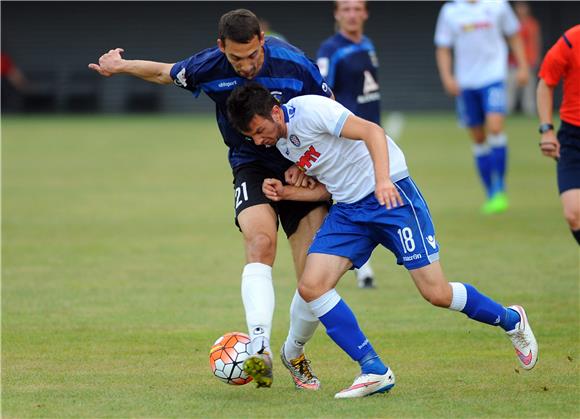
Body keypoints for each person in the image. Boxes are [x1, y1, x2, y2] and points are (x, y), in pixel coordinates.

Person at [226, 82, 538, 398]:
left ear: (275, 111)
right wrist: (289, 193)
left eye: (259, 129)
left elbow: (372, 132)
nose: (258, 140)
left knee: (436, 293)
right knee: (311, 285)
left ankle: (512, 319)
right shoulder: (284, 145)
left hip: (391, 200)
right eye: (251, 137)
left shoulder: (311, 110)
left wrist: (383, 180)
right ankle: (373, 369)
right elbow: (330, 186)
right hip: (349, 211)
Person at [88, 9, 333, 389]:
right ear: (222, 48)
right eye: (237, 58)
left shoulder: (296, 65)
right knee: (260, 242)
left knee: (313, 280)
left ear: (262, 42)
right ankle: (259, 346)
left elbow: (332, 116)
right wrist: (119, 66)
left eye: (253, 55)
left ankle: (293, 351)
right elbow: (163, 72)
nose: (247, 65)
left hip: (300, 168)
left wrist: (310, 164)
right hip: (251, 164)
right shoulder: (210, 65)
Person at [434, 0, 530, 214]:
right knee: (478, 137)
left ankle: (500, 186)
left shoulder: (498, 5)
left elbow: (513, 34)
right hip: (466, 82)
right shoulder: (450, 11)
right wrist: (447, 77)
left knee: (495, 127)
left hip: (493, 76)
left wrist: (523, 66)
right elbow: (443, 47)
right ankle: (490, 192)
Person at [316, 0, 379, 288]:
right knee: (349, 198)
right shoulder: (330, 50)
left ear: (365, 13)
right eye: (346, 9)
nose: (352, 14)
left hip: (371, 134)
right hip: (348, 137)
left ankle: (359, 263)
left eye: (357, 9)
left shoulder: (367, 43)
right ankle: (358, 266)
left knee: (368, 196)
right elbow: (322, 92)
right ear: (337, 14)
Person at [536, 25, 580, 245]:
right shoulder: (572, 40)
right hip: (573, 138)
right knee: (573, 212)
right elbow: (546, 83)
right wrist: (547, 130)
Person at [507, 1, 542, 115]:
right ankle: (506, 113)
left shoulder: (532, 24)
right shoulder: (511, 23)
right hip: (512, 63)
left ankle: (530, 113)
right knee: (509, 91)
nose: (521, 10)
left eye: (523, 7)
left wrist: (535, 59)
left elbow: (535, 42)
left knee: (529, 92)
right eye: (519, 7)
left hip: (528, 62)